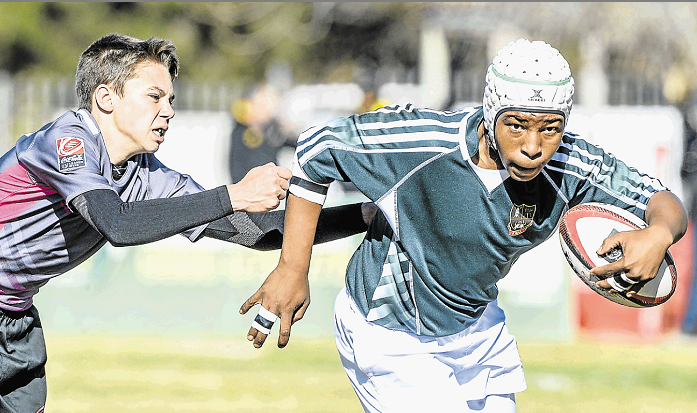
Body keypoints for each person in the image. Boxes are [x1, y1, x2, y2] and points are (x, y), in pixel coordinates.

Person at [240, 38, 688, 412]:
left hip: (475, 327)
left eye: (550, 128)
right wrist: (292, 268)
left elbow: (663, 202)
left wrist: (658, 233)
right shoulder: (423, 142)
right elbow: (317, 149)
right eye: (516, 125)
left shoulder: (571, 161)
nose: (533, 145)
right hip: (389, 331)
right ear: (491, 113)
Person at [0, 33, 372, 413]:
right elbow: (117, 225)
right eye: (154, 96)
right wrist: (232, 195)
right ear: (105, 98)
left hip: (16, 319)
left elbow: (256, 232)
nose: (169, 111)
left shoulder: (146, 175)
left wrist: (370, 215)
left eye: (171, 100)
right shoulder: (67, 140)